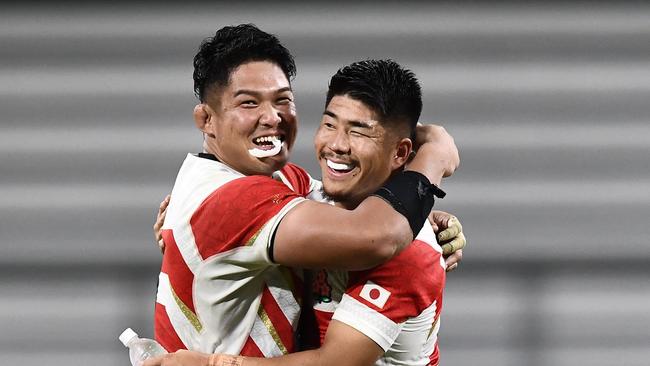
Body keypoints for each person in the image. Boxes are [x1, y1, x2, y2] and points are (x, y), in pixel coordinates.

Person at [151, 23, 461, 361]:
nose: (271, 117)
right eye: (248, 103)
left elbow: (374, 225)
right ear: (206, 119)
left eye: (282, 100)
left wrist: (423, 212)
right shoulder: (237, 199)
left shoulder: (282, 184)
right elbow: (378, 233)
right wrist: (435, 155)